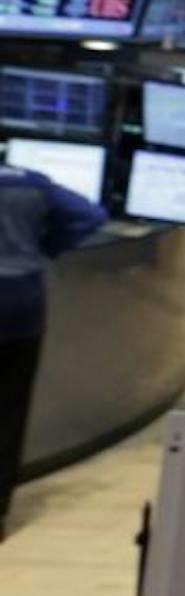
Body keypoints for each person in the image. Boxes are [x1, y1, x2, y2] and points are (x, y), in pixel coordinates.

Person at [0, 158, 108, 538]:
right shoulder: (34, 183)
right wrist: (48, 247)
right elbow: (93, 216)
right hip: (23, 305)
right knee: (10, 411)